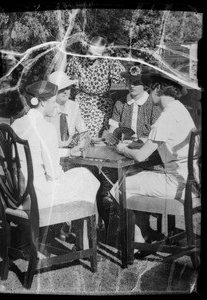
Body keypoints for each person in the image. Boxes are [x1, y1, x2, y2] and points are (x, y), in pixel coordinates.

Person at [112, 73, 199, 255]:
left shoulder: (166, 116)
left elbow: (141, 156)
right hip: (191, 180)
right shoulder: (181, 109)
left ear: (158, 88)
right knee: (135, 177)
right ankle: (147, 234)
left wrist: (122, 149)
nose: (150, 94)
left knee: (120, 186)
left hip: (176, 184)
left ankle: (139, 239)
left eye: (150, 89)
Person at [11, 80, 100, 233]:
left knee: (82, 177)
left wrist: (68, 152)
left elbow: (34, 152)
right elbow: (53, 173)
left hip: (18, 194)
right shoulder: (46, 128)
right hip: (39, 197)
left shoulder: (16, 124)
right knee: (86, 177)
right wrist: (63, 173)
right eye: (53, 101)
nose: (56, 106)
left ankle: (77, 237)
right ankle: (84, 241)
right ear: (43, 103)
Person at [98, 66, 162, 229]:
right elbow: (112, 133)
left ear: (145, 85)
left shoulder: (153, 104)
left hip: (147, 155)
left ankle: (140, 228)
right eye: (130, 82)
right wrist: (109, 137)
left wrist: (137, 141)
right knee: (107, 179)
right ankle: (124, 227)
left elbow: (156, 136)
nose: (132, 85)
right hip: (124, 154)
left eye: (137, 82)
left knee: (129, 182)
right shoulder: (120, 103)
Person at [66, 36, 126, 138]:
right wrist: (73, 82)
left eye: (97, 55)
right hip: (82, 102)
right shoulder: (76, 60)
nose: (92, 57)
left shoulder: (109, 61)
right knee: (78, 132)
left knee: (96, 135)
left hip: (101, 104)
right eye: (90, 53)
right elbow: (67, 78)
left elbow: (125, 77)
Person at [46, 71, 89, 149]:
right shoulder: (47, 108)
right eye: (61, 89)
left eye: (67, 88)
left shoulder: (73, 106)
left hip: (70, 150)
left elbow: (83, 131)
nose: (65, 91)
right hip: (51, 150)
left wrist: (81, 143)